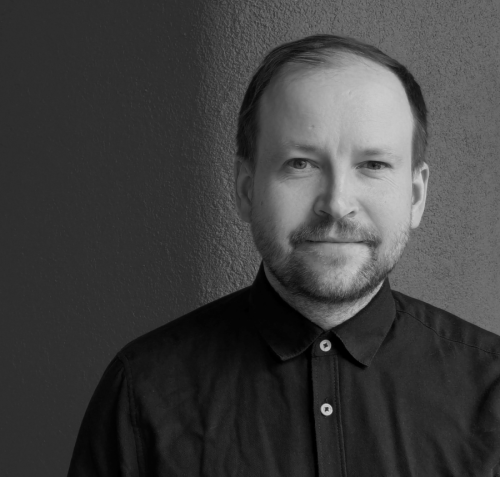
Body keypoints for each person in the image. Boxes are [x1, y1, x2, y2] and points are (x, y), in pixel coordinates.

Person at [68, 35, 500, 476]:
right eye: (300, 163)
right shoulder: (141, 393)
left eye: (373, 165)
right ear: (246, 190)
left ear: (416, 195)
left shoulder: (492, 389)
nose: (336, 203)